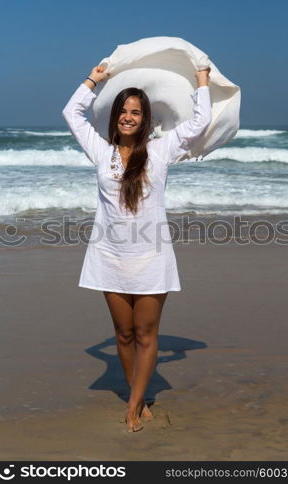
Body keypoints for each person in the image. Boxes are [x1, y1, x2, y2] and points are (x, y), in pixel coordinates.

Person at [62, 63, 211, 432]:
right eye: (124, 111)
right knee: (123, 334)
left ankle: (133, 404)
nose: (128, 117)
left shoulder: (161, 151)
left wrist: (202, 81)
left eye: (136, 112)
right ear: (115, 118)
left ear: (144, 119)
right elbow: (72, 113)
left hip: (151, 257)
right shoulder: (101, 151)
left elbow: (199, 121)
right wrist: (94, 79)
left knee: (146, 334)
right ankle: (139, 394)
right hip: (108, 255)